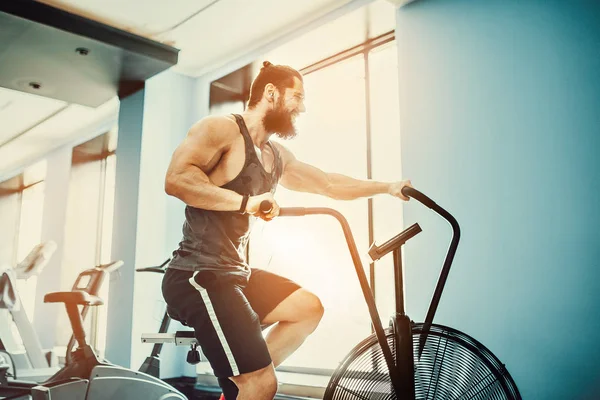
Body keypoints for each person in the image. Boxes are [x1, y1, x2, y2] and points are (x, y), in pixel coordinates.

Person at [162, 61, 413, 400]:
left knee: (307, 308)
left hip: (234, 273)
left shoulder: (276, 155)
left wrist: (387, 187)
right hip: (197, 274)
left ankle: (241, 385)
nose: (302, 106)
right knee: (264, 384)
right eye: (297, 96)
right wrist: (246, 203)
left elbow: (328, 183)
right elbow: (177, 180)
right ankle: (252, 383)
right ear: (270, 93)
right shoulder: (220, 129)